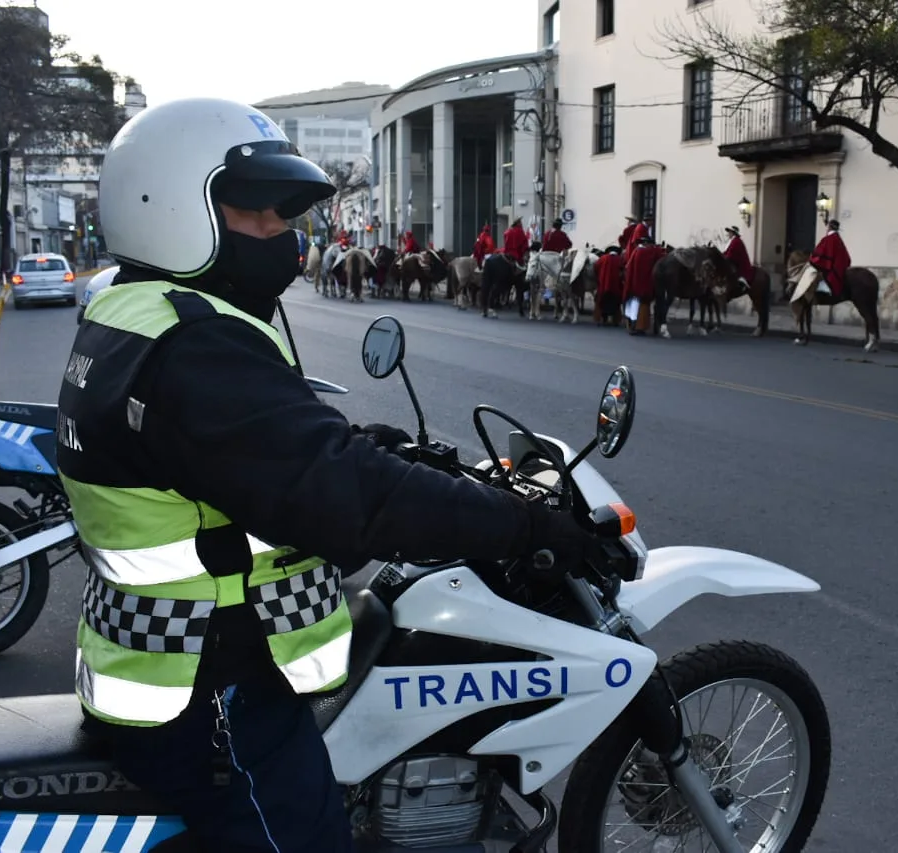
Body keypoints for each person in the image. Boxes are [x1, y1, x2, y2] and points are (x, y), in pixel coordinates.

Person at [56, 97, 596, 853]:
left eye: (285, 214)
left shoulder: (134, 311)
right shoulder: (194, 345)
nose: (285, 233)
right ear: (171, 207)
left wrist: (371, 443)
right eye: (257, 214)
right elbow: (347, 494)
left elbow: (248, 453)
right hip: (216, 693)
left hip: (164, 664)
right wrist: (527, 527)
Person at [808, 220, 850, 299]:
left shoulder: (828, 239)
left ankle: (823, 286)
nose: (826, 229)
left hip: (830, 264)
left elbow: (820, 251)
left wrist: (812, 257)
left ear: (830, 227)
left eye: (827, 227)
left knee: (815, 267)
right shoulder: (837, 238)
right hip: (837, 264)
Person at [723, 226, 753, 290]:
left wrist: (723, 258)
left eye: (729, 232)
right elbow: (726, 252)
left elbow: (730, 256)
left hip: (741, 269)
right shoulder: (734, 241)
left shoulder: (736, 241)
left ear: (733, 233)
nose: (728, 234)